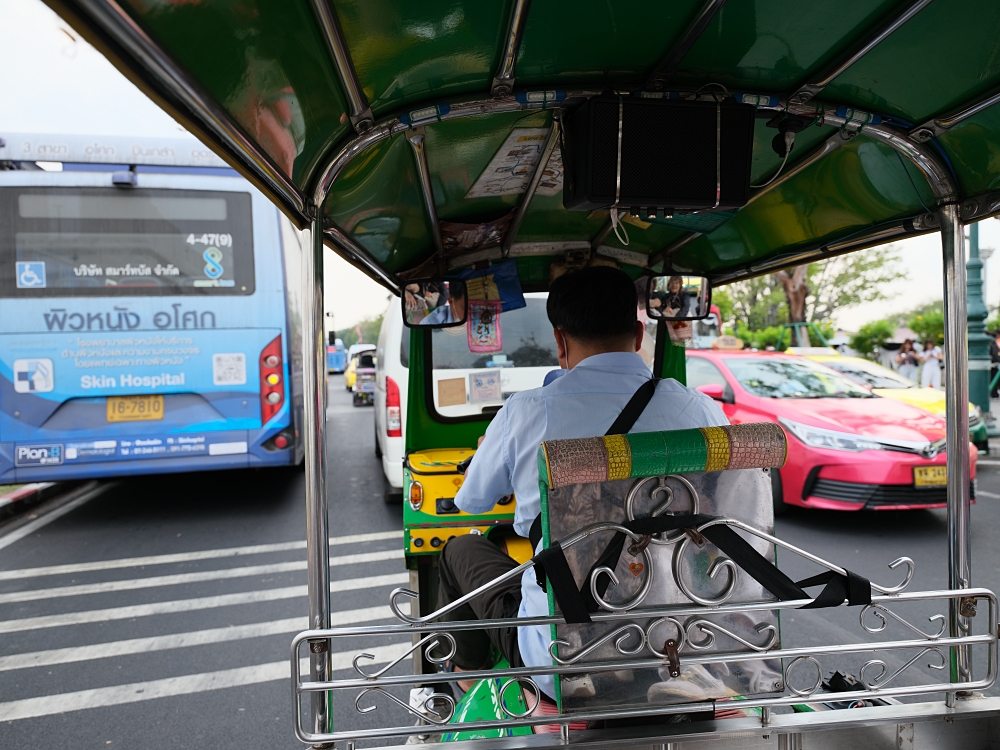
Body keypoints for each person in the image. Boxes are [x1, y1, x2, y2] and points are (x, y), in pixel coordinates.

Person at [436, 266, 728, 701]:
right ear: (636, 333)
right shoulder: (700, 410)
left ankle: (465, 681)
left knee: (460, 549)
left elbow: (471, 499)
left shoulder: (527, 412)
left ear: (559, 340)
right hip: (679, 636)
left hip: (559, 651)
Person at [990, 330, 1000, 399]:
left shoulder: (992, 343)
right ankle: (994, 394)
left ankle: (994, 393)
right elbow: (994, 354)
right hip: (994, 364)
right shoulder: (993, 344)